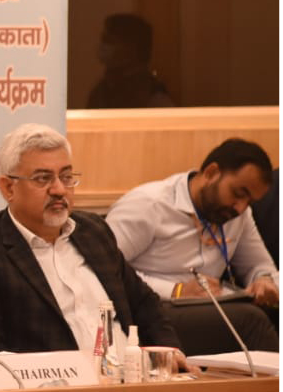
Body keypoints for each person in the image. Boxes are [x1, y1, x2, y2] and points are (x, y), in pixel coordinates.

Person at [0, 123, 186, 365]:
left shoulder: (93, 231)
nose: (59, 189)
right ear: (8, 188)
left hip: (133, 380)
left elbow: (144, 304)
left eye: (66, 177)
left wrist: (169, 354)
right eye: (42, 179)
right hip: (55, 388)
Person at [106, 139, 279, 353]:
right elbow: (105, 270)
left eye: (249, 202)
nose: (240, 208)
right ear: (211, 173)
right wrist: (176, 290)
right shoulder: (149, 205)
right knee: (249, 320)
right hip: (151, 308)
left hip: (211, 307)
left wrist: (263, 280)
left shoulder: (238, 216)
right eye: (238, 194)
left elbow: (260, 266)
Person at [86, 13, 175, 109]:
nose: (103, 46)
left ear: (131, 48)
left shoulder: (154, 96)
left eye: (111, 41)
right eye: (104, 40)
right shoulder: (100, 91)